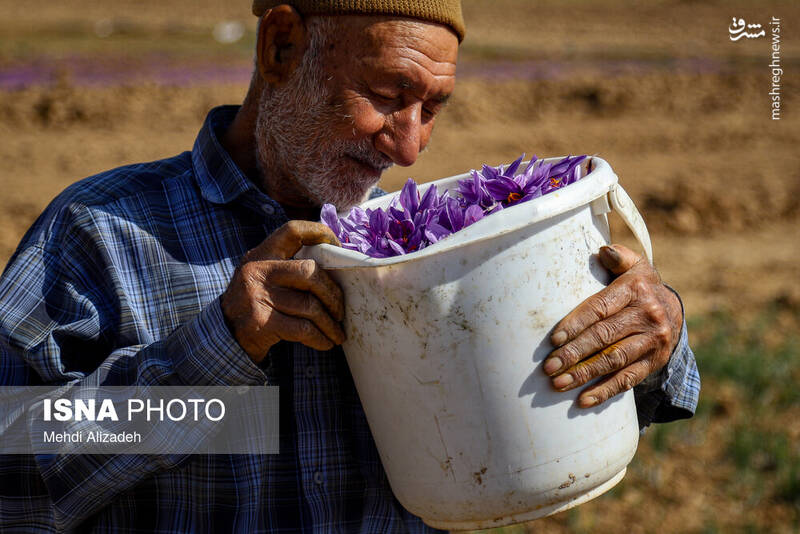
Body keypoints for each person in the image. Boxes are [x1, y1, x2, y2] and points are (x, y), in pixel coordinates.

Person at [0, 1, 699, 532]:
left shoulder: (421, 256)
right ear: (281, 48)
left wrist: (653, 329)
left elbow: (541, 394)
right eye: (390, 94)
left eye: (434, 109)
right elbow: (16, 475)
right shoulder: (102, 235)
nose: (411, 148)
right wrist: (219, 346)